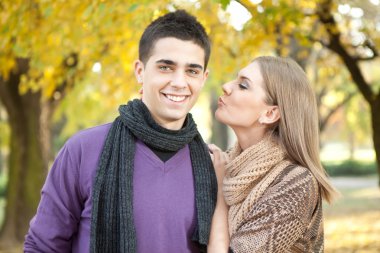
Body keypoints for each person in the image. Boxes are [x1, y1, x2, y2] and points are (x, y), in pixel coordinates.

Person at [24, 10, 217, 253]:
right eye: (166, 67)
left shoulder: (213, 166)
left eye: (192, 71)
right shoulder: (83, 150)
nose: (179, 82)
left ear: (203, 78)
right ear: (140, 70)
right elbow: (42, 247)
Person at [207, 56, 338, 253]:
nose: (226, 86)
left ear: (270, 114)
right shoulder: (224, 163)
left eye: (243, 85)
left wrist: (218, 190)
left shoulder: (297, 183)